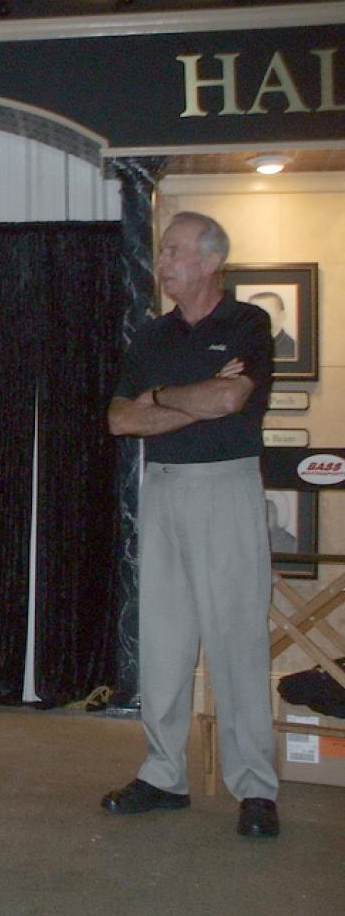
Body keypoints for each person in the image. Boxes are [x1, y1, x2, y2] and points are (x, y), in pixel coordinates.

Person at [104, 211, 279, 838]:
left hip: (227, 487)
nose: (163, 261)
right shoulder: (152, 335)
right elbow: (121, 419)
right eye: (162, 251)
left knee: (237, 642)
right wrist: (193, 398)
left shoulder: (248, 323)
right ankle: (163, 774)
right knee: (163, 640)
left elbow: (231, 400)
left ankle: (254, 787)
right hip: (163, 488)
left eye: (175, 250)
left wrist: (161, 397)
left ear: (210, 261)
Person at [247, 290, 296, 360]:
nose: (260, 319)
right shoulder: (241, 346)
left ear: (282, 316)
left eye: (267, 314)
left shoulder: (293, 350)